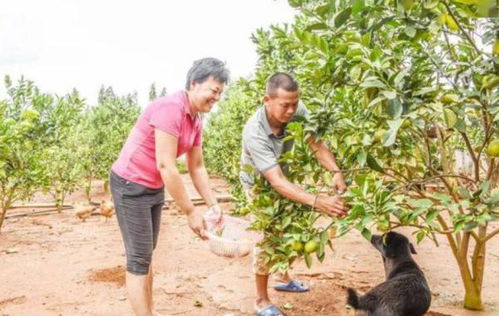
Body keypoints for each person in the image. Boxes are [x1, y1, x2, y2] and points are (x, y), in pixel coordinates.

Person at [110, 57, 229, 316]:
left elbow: (196, 166)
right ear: (194, 83)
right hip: (130, 183)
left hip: (152, 187)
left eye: (220, 92)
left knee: (146, 254)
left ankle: (148, 311)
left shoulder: (196, 119)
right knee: (138, 259)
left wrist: (212, 204)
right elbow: (166, 165)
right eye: (213, 89)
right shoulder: (170, 109)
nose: (217, 96)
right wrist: (189, 211)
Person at [240, 72, 348, 316]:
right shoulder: (254, 131)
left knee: (290, 229)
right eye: (284, 105)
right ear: (267, 99)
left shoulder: (298, 109)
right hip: (259, 184)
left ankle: (284, 275)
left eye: (294, 103)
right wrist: (319, 202)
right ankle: (261, 299)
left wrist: (336, 171)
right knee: (267, 237)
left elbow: (316, 144)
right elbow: (276, 181)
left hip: (283, 175)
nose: (291, 110)